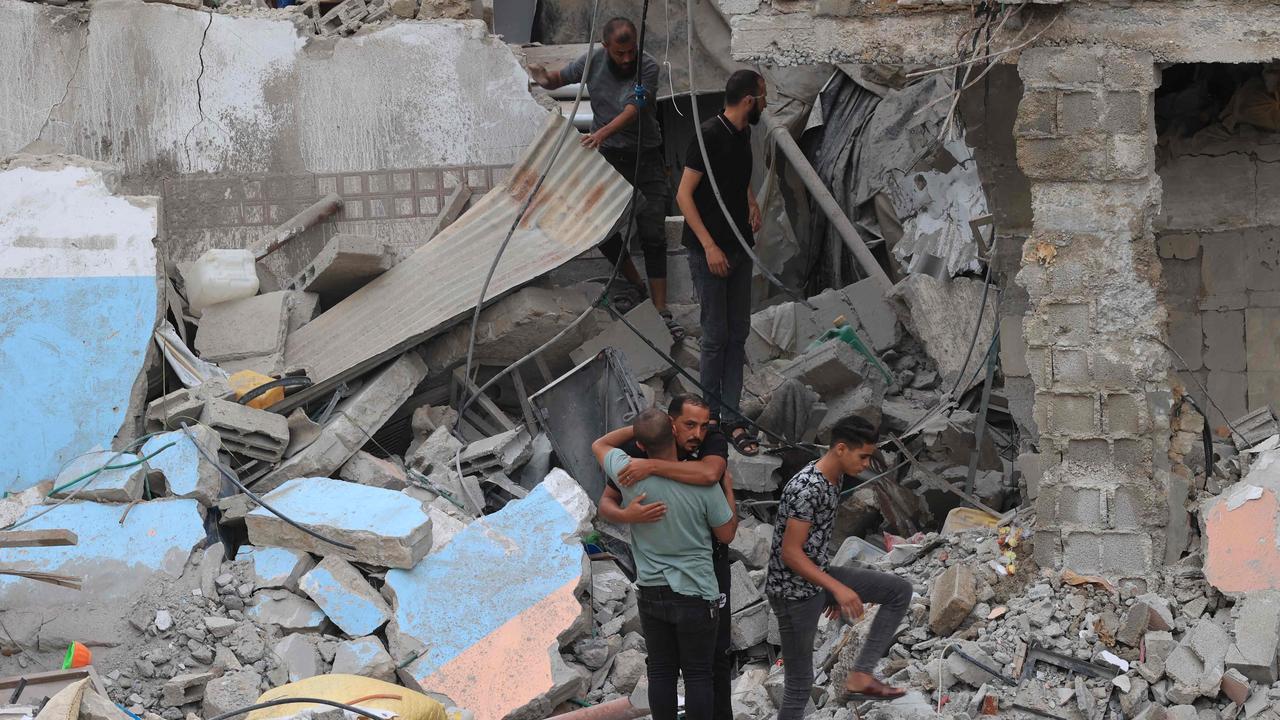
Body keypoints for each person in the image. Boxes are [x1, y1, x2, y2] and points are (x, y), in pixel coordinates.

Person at [528, 18, 682, 339]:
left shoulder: (648, 67)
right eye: (620, 53)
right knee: (602, 229)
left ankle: (661, 308)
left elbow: (634, 108)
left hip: (646, 157)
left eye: (630, 52)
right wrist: (544, 79)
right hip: (611, 158)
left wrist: (600, 133)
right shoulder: (592, 61)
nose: (627, 59)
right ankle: (637, 285)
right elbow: (560, 79)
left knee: (653, 232)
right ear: (605, 46)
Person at [593, 395, 736, 720]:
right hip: (697, 591)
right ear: (672, 427)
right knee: (700, 674)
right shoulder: (703, 484)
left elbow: (599, 443)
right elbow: (727, 533)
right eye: (689, 424)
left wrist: (642, 428)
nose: (698, 432)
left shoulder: (629, 471)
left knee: (660, 671)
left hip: (653, 591)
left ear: (642, 445)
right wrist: (728, 491)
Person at [765, 415, 913, 715]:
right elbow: (791, 554)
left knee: (898, 591)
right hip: (793, 593)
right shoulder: (806, 487)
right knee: (799, 685)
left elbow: (814, 541)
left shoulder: (835, 477)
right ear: (841, 449)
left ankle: (861, 676)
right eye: (864, 456)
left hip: (815, 580)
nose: (866, 464)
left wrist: (827, 587)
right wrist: (836, 588)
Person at [675, 69, 767, 456]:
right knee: (714, 337)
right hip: (709, 250)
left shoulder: (745, 132)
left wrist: (749, 199)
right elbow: (683, 195)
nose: (765, 103)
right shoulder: (710, 135)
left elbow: (736, 175)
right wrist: (710, 246)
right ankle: (708, 417)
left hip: (739, 246)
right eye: (763, 96)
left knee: (738, 332)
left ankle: (730, 417)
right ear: (749, 99)